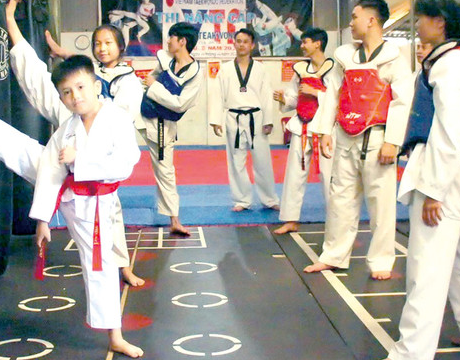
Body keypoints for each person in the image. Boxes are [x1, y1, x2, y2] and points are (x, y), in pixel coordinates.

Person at [356, 0, 460, 360]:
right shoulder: (444, 62)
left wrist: (435, 190)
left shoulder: (451, 67)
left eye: (421, 18)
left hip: (445, 175)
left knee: (427, 263)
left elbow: (450, 134)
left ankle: (411, 353)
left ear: (439, 23)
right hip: (451, 172)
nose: (416, 25)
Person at [29, 55, 143, 358]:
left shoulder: (117, 117)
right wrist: (43, 219)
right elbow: (51, 170)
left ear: (95, 85)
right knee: (16, 149)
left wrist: (80, 158)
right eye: (66, 92)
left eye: (80, 87)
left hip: (99, 203)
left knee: (101, 268)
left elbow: (127, 163)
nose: (75, 96)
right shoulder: (67, 127)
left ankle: (115, 336)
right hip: (71, 199)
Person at [304, 0, 412, 280]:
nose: (350, 22)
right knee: (340, 198)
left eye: (354, 17)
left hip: (378, 139)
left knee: (381, 202)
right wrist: (325, 130)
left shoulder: (394, 59)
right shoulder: (345, 57)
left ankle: (381, 260)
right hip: (346, 136)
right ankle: (334, 255)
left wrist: (393, 140)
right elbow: (333, 95)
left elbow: (402, 102)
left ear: (372, 20)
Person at [42, 22, 146, 287]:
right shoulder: (91, 73)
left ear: (120, 47)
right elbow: (78, 70)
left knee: (113, 215)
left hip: (108, 151)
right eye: (98, 43)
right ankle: (113, 266)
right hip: (81, 146)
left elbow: (122, 116)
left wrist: (90, 147)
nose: (102, 48)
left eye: (109, 43)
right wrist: (58, 51)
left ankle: (123, 267)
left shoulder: (129, 79)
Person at [140, 22, 204, 236]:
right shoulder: (165, 59)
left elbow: (179, 104)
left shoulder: (195, 73)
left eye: (171, 38)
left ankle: (174, 219)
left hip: (162, 124)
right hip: (141, 112)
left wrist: (154, 86)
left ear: (182, 41)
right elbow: (153, 77)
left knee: (164, 171)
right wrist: (152, 84)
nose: (167, 41)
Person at [273, 27, 338, 234]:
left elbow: (339, 99)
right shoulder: (300, 69)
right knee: (294, 174)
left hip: (325, 130)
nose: (301, 46)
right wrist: (284, 99)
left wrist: (316, 92)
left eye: (305, 42)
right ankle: (290, 219)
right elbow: (294, 97)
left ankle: (338, 223)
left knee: (330, 178)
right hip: (301, 126)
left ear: (318, 43)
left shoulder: (335, 68)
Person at [209, 28, 280, 212]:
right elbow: (217, 95)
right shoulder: (225, 69)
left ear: (252, 45)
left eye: (245, 41)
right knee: (236, 161)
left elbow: (266, 95)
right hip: (234, 117)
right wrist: (216, 120)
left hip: (256, 117)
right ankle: (242, 200)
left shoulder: (260, 69)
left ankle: (270, 199)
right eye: (238, 41)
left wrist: (269, 120)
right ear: (234, 43)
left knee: (263, 160)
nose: (241, 44)